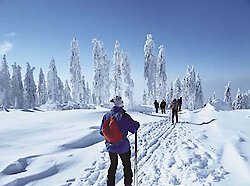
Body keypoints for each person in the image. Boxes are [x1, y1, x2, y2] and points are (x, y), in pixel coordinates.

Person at [100, 96, 140, 186]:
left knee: (113, 166)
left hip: (110, 147)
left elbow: (101, 132)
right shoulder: (124, 116)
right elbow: (134, 128)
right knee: (126, 166)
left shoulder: (106, 116)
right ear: (121, 104)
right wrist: (137, 124)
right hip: (123, 147)